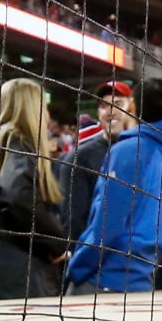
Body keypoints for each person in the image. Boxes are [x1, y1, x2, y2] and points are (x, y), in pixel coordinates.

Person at [65, 87, 162, 295]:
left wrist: (77, 268)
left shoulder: (127, 151)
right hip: (143, 281)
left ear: (133, 106)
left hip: (102, 280)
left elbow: (107, 224)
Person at [0, 78, 70, 300]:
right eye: (43, 108)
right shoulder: (17, 140)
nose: (47, 116)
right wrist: (56, 243)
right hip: (23, 272)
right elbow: (16, 195)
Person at [58, 80, 134, 246]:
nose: (110, 112)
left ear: (132, 109)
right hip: (97, 259)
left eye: (118, 104)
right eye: (104, 106)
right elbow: (72, 222)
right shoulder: (80, 158)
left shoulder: (143, 153)